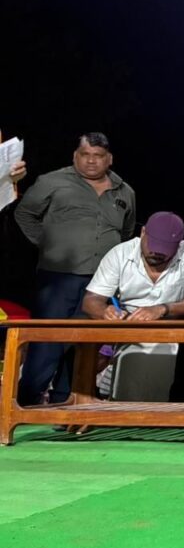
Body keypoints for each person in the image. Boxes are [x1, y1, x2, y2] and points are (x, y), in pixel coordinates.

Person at [13, 132, 136, 405]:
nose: (91, 161)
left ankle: (66, 406)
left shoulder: (125, 191)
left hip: (101, 283)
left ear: (109, 159)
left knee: (82, 345)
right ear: (75, 156)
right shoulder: (52, 181)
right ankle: (26, 404)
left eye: (98, 156)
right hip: (57, 279)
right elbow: (24, 214)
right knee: (47, 343)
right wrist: (48, 245)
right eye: (85, 154)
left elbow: (127, 231)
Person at [81, 212, 184, 401]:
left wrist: (162, 309)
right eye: (153, 247)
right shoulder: (120, 253)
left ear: (179, 244)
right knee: (82, 324)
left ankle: (179, 398)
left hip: (171, 318)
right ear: (143, 233)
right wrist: (106, 311)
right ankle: (84, 395)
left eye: (164, 251)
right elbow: (90, 300)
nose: (156, 255)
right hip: (127, 318)